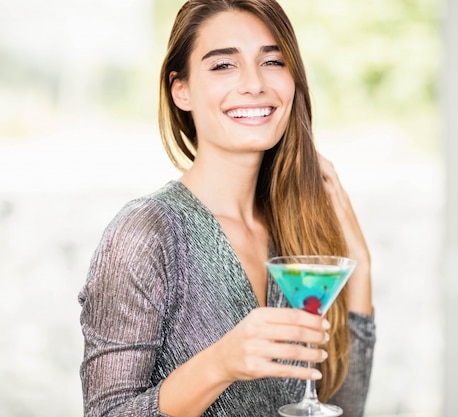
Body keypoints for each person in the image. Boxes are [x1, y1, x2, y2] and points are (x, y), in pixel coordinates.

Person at [78, 0, 376, 416]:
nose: (254, 84)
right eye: (223, 66)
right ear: (180, 89)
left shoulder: (296, 237)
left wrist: (358, 264)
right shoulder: (146, 233)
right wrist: (221, 363)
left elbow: (339, 408)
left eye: (273, 61)